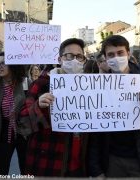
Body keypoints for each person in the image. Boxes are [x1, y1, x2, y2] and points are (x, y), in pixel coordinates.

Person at [88, 35, 140, 178]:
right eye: (111, 55)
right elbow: (95, 131)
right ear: (105, 58)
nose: (116, 58)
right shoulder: (98, 85)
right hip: (112, 160)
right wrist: (95, 169)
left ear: (128, 53)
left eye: (120, 53)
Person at [20, 38, 89, 177]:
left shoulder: (91, 86)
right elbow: (23, 123)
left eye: (79, 56)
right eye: (69, 56)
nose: (74, 60)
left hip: (79, 165)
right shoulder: (41, 84)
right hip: (49, 163)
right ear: (59, 59)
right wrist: (38, 106)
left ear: (84, 60)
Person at [0, 52, 30, 175]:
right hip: (2, 132)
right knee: (0, 171)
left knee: (27, 170)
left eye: (3, 63)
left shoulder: (25, 83)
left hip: (24, 132)